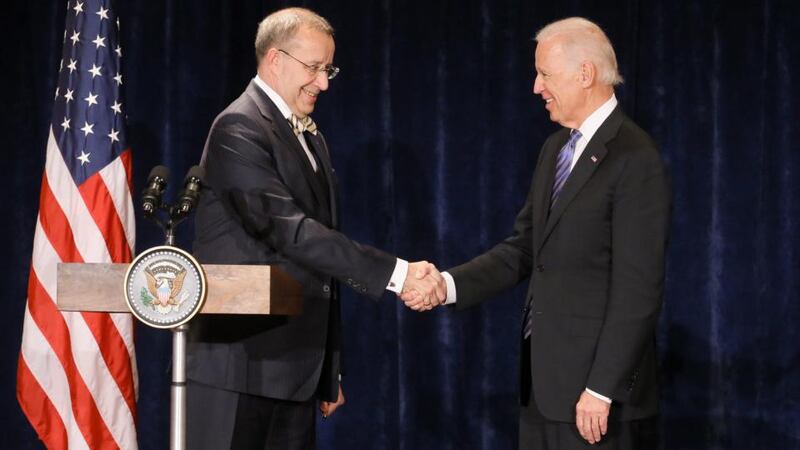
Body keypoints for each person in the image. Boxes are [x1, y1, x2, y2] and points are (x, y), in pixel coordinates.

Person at [404, 17, 671, 449]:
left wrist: (601, 389)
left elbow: (639, 290)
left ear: (585, 74)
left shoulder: (634, 158)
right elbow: (524, 250)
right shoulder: (556, 149)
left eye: (545, 74)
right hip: (545, 389)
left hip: (596, 402)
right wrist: (447, 286)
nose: (535, 87)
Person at [186, 7, 445, 449]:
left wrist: (328, 369)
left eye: (328, 69)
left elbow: (318, 269)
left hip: (293, 372)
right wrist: (398, 275)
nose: (323, 83)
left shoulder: (311, 137)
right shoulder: (239, 127)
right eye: (314, 68)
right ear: (274, 59)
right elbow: (291, 232)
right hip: (239, 367)